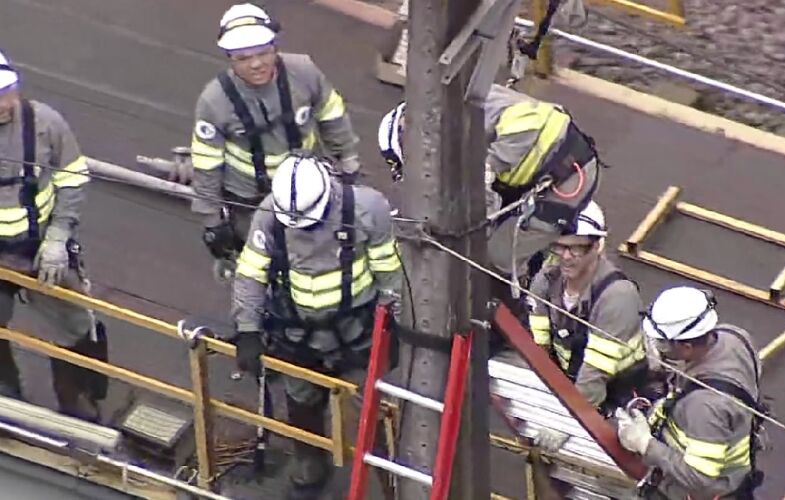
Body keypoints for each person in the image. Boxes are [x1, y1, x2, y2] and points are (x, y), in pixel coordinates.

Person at [231, 154, 402, 499]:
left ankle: (392, 485)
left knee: (373, 413)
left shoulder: (367, 208)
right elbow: (251, 274)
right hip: (297, 336)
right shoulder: (271, 215)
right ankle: (310, 468)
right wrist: (247, 330)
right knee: (301, 403)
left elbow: (390, 273)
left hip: (356, 334)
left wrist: (392, 323)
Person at [191, 3, 360, 282]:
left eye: (262, 53)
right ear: (230, 58)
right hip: (250, 201)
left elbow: (332, 114)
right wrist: (212, 221)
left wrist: (347, 158)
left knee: (316, 254)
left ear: (275, 47)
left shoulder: (304, 72)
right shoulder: (214, 101)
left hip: (307, 188)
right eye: (244, 58)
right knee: (260, 266)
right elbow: (206, 162)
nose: (256, 64)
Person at [378, 83, 603, 280]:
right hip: (529, 174)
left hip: (568, 177)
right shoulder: (442, 115)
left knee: (498, 255)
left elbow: (528, 122)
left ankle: (518, 289)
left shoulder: (459, 114)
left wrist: (490, 166)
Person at [0, 50, 108, 422]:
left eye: (6, 92)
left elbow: (72, 178)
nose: (2, 103)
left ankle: (77, 404)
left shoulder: (45, 123)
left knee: (76, 324)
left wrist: (58, 237)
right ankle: (7, 401)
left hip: (40, 251)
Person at [616, 286, 766, 500]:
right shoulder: (734, 337)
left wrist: (645, 444)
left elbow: (698, 477)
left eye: (663, 343)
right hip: (736, 468)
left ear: (686, 347)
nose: (659, 347)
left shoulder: (704, 407)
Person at [526, 200, 647, 412]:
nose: (565, 257)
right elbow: (540, 349)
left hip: (616, 392)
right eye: (560, 246)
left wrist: (566, 421)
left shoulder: (617, 296)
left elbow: (594, 378)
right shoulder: (546, 281)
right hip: (569, 379)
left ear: (597, 246)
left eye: (576, 249)